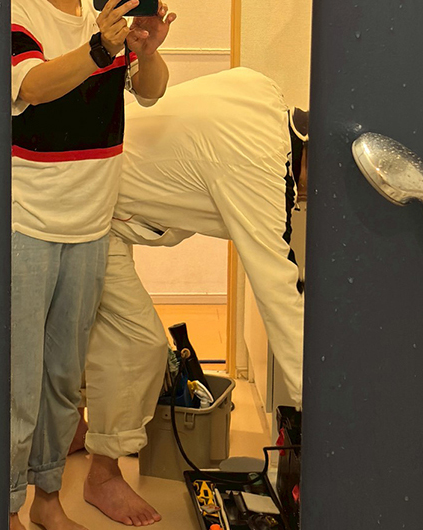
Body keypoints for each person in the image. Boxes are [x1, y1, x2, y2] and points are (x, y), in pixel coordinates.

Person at [76, 67, 307, 527]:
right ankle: (102, 475)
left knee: (88, 327)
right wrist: (319, 405)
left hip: (97, 181)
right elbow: (280, 293)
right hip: (88, 208)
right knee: (139, 343)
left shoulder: (262, 91)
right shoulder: (258, 167)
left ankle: (75, 431)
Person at [9, 0, 174, 528]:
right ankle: (6, 508)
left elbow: (151, 90)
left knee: (63, 380)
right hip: (25, 220)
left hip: (92, 222)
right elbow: (33, 86)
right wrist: (101, 48)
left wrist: (146, 51)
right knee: (18, 383)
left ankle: (47, 501)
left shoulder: (105, 16)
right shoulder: (18, 12)